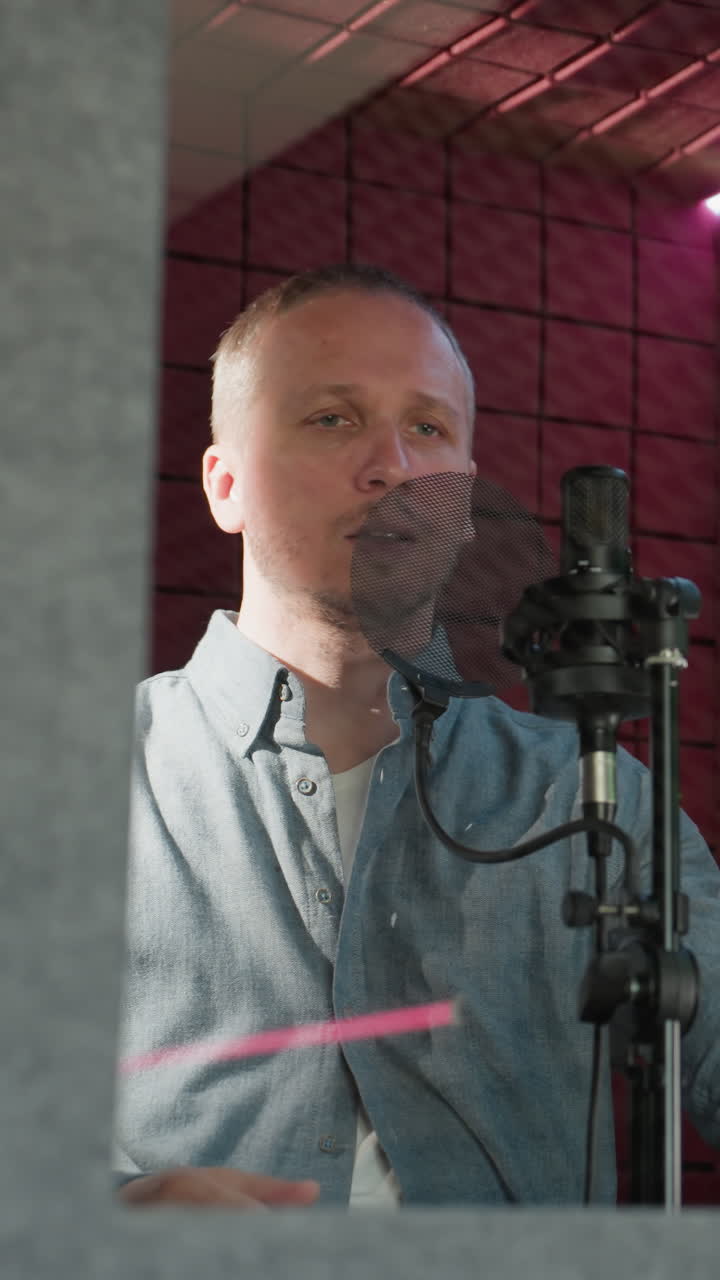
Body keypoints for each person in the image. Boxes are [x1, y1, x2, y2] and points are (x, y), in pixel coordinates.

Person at [114, 264, 720, 1210]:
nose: (392, 465)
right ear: (223, 484)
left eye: (427, 428)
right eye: (333, 418)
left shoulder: (591, 792)